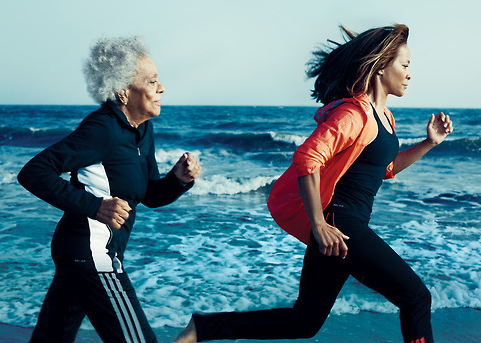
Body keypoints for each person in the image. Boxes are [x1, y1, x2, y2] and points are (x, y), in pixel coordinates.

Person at [175, 24, 452, 343]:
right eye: (404, 65)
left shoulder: (384, 118)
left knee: (304, 323)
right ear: (379, 67)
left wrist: (430, 143)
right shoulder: (353, 114)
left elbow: (386, 169)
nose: (409, 74)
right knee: (416, 297)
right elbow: (308, 158)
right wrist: (319, 224)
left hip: (342, 228)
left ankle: (203, 329)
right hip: (340, 222)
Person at [18, 36, 201, 343]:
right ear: (123, 92)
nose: (162, 88)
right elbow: (34, 172)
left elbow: (150, 195)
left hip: (81, 254)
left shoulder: (143, 129)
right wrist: (95, 206)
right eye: (152, 81)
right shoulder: (101, 129)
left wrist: (178, 180)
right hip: (91, 254)